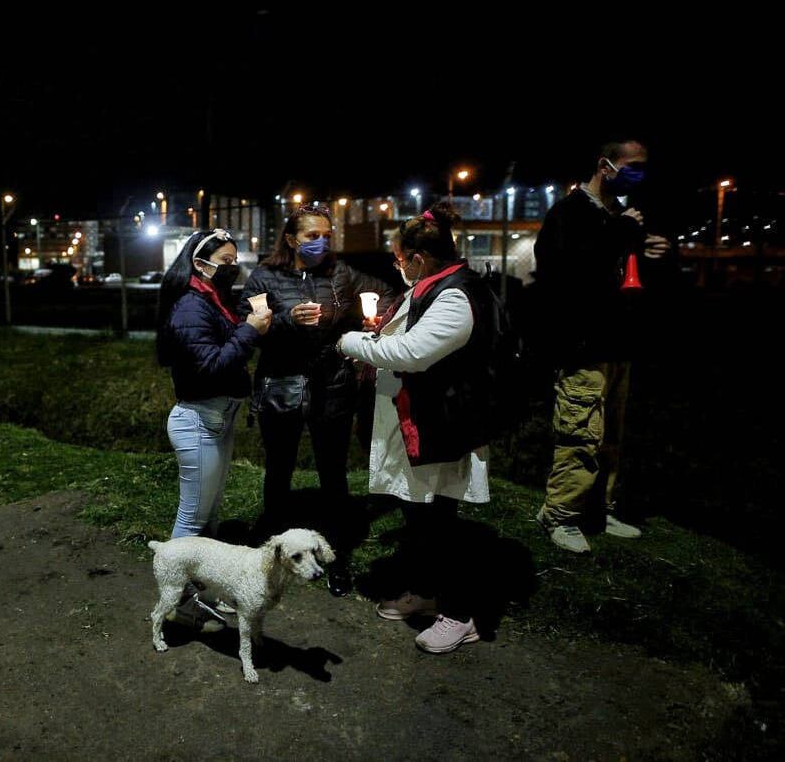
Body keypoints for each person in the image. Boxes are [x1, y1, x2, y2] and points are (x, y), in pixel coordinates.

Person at [337, 206, 496, 654]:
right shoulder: (430, 287)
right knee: (419, 515)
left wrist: (351, 342)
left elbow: (412, 352)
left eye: (398, 257)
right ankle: (428, 594)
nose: (396, 265)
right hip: (419, 423)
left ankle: (461, 614)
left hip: (441, 426)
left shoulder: (456, 296)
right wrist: (377, 343)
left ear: (420, 258)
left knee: (439, 522)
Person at [237, 205, 394, 595]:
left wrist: (369, 321)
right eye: (312, 236)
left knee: (333, 474)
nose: (321, 242)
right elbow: (250, 325)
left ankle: (336, 557)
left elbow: (387, 294)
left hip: (333, 386)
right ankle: (269, 559)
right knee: (278, 469)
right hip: (281, 384)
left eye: (326, 234)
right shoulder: (265, 276)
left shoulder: (342, 274)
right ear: (291, 239)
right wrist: (289, 319)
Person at [534, 139, 671, 554]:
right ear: (604, 165)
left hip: (617, 342)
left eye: (645, 167)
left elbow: (619, 269)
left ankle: (598, 508)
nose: (639, 175)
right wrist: (623, 233)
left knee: (610, 432)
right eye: (632, 166)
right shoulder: (570, 212)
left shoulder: (617, 216)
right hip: (583, 345)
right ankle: (559, 514)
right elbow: (569, 271)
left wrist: (649, 250)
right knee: (581, 429)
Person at [156, 229, 271, 630]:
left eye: (233, 260)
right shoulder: (190, 308)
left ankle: (202, 594)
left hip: (217, 418)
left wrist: (253, 325)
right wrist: (250, 331)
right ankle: (178, 606)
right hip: (199, 422)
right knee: (192, 520)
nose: (231, 267)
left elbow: (227, 345)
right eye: (224, 261)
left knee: (209, 517)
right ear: (199, 263)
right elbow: (210, 367)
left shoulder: (211, 298)